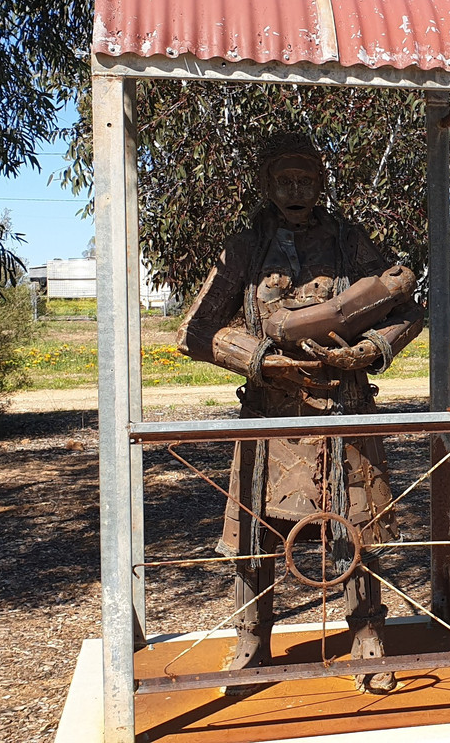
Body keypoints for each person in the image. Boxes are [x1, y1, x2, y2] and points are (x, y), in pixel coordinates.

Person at [177, 133, 424, 693]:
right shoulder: (243, 247)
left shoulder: (348, 241)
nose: (296, 191)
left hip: (346, 409)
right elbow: (195, 331)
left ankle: (366, 633)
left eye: (306, 180)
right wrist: (261, 359)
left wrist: (366, 350)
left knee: (356, 522)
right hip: (270, 418)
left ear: (321, 183)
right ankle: (252, 638)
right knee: (257, 532)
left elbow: (408, 308)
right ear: (266, 185)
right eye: (285, 181)